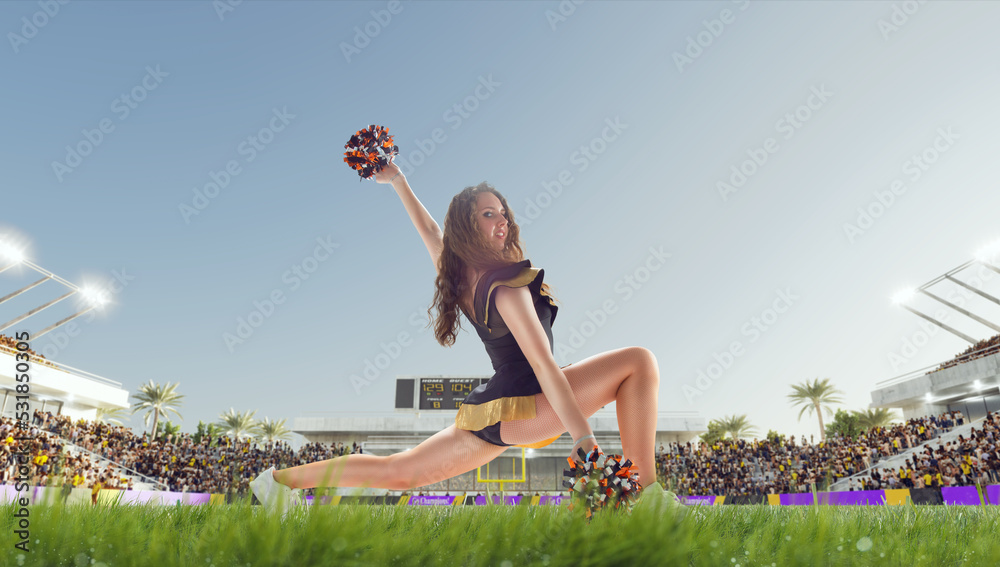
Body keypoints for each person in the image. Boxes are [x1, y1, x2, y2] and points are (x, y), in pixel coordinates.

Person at [250, 160, 663, 515]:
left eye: (502, 212)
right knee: (639, 362)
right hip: (529, 404)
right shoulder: (505, 283)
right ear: (468, 224)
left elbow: (431, 233)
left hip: (495, 411)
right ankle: (647, 501)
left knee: (400, 472)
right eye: (488, 214)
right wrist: (583, 436)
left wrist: (399, 180)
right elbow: (541, 364)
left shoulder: (462, 277)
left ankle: (276, 483)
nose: (501, 220)